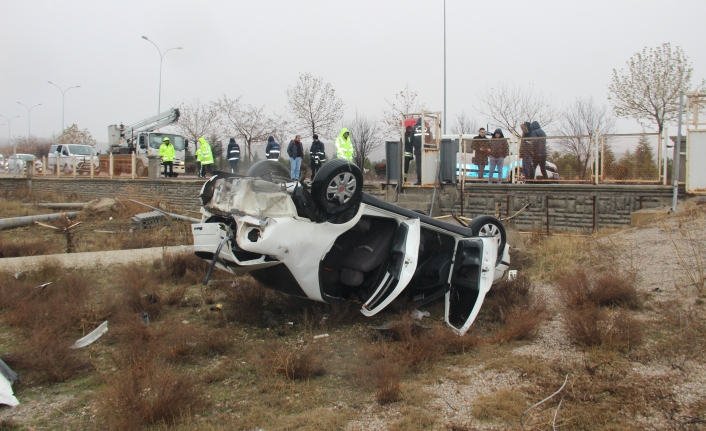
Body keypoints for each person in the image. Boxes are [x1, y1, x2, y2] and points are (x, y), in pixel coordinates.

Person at [411, 117, 426, 185]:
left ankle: (419, 180)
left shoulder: (414, 128)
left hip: (418, 150)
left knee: (419, 165)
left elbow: (411, 140)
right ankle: (427, 179)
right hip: (427, 150)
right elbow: (431, 138)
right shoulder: (427, 128)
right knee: (426, 164)